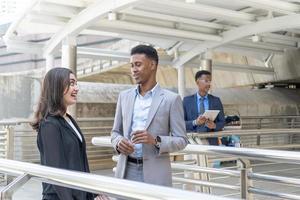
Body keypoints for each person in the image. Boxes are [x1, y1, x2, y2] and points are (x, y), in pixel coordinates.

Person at [111, 44, 188, 186]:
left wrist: (155, 141)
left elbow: (182, 140)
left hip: (156, 174)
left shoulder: (172, 99)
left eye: (138, 65)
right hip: (125, 171)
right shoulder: (124, 97)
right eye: (132, 65)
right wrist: (118, 143)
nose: (133, 70)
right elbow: (115, 132)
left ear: (152, 65)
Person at [31, 68, 106, 200]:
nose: (76, 88)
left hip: (79, 193)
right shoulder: (50, 125)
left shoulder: (69, 119)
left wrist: (94, 192)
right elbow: (56, 173)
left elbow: (81, 163)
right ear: (56, 87)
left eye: (76, 83)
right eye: (71, 83)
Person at [183, 70, 225, 145]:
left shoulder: (216, 100)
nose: (209, 84)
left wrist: (214, 125)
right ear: (197, 82)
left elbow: (222, 122)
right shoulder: (187, 101)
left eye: (210, 81)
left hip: (211, 142)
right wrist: (195, 122)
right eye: (206, 81)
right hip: (192, 142)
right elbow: (181, 123)